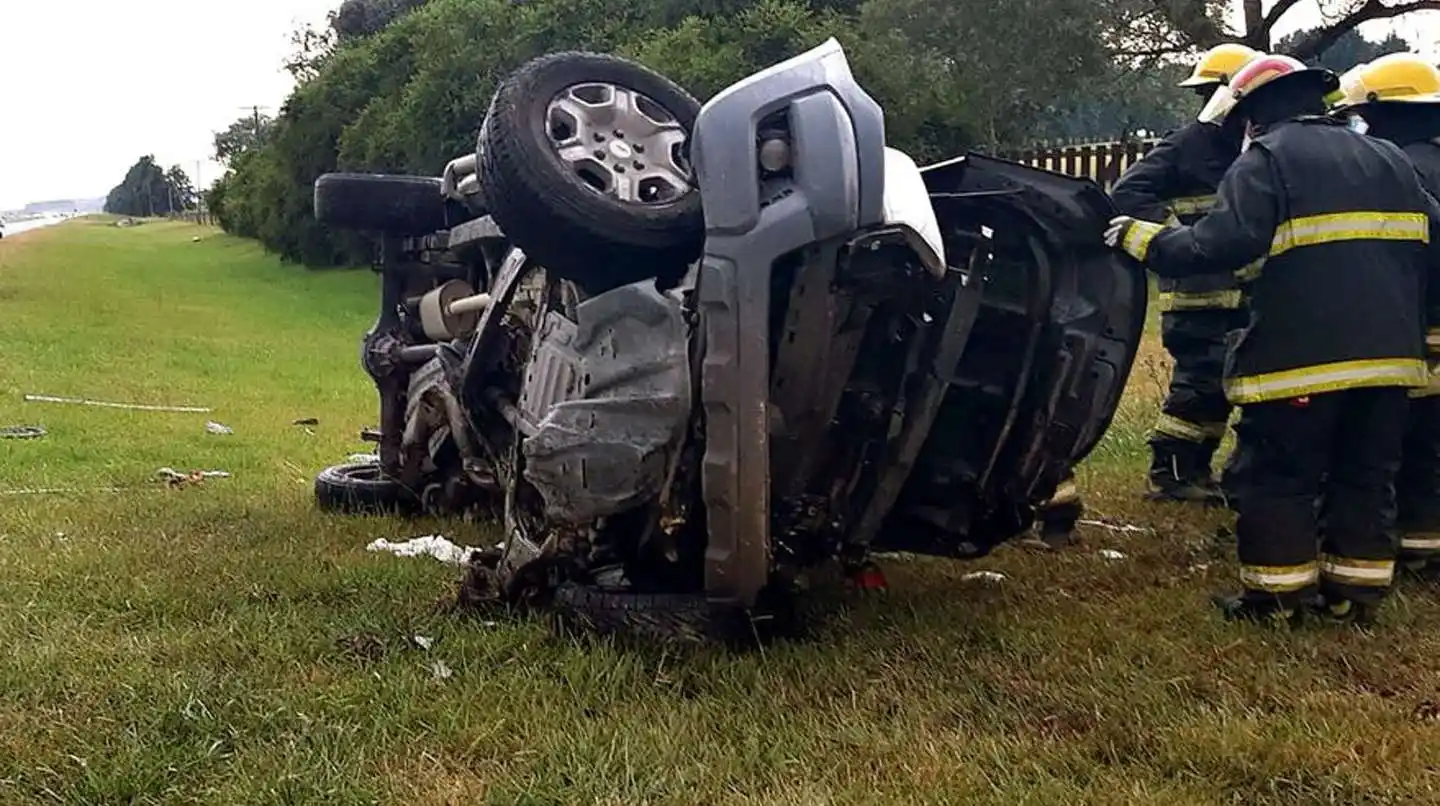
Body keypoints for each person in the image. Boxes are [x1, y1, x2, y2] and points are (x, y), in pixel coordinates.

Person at [1105, 54, 1440, 626]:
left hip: (1299, 363)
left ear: (1251, 118)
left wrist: (1145, 239)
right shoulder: (1390, 158)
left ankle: (1277, 602)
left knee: (1278, 476)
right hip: (1393, 363)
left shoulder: (1266, 160)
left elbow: (1218, 246)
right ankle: (1353, 598)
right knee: (1365, 477)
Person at [1110, 43, 1261, 505]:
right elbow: (1127, 192)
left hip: (1245, 294)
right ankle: (1170, 473)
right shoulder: (1188, 143)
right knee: (1199, 383)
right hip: (1198, 295)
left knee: (1221, 387)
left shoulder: (1253, 145)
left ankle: (1195, 472)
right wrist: (1177, 238)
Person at [1332, 54, 1440, 573]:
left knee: (1412, 444)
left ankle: (1412, 547)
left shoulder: (1405, 170)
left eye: (1370, 118)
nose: (1365, 129)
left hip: (1420, 328)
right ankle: (1426, 547)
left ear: (1393, 112)